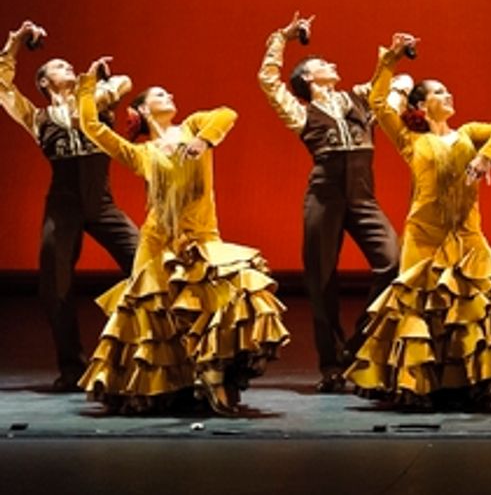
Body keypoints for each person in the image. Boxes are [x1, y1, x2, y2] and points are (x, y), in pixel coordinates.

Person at [346, 34, 491, 412]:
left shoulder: (467, 134)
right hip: (425, 238)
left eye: (448, 91)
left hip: (468, 237)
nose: (448, 96)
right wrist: (391, 58)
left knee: (478, 313)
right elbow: (378, 101)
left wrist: (486, 156)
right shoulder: (409, 138)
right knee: (422, 313)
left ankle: (487, 387)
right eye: (439, 92)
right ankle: (426, 387)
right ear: (421, 105)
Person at [76, 58, 289, 415]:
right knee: (156, 317)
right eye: (160, 94)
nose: (170, 95)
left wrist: (203, 141)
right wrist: (87, 84)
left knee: (229, 298)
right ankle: (175, 386)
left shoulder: (192, 127)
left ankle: (214, 374)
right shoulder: (141, 154)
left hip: (201, 235)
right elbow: (92, 127)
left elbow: (227, 113)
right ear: (144, 110)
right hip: (159, 242)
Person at [258, 12, 400, 392]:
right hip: (325, 195)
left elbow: (382, 85)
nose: (333, 65)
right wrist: (282, 38)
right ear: (308, 78)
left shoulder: (358, 98)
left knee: (393, 262)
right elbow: (268, 81)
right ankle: (332, 364)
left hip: (363, 195)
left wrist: (391, 57)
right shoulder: (301, 112)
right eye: (323, 64)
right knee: (320, 279)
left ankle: (358, 343)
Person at [0, 21, 141, 391]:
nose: (69, 69)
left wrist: (95, 82)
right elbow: (2, 87)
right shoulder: (37, 118)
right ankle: (71, 367)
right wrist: (15, 42)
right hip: (63, 204)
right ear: (44, 82)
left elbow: (124, 82)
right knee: (54, 283)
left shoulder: (94, 100)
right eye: (60, 67)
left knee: (145, 262)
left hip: (101, 201)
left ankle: (150, 355)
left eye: (69, 66)